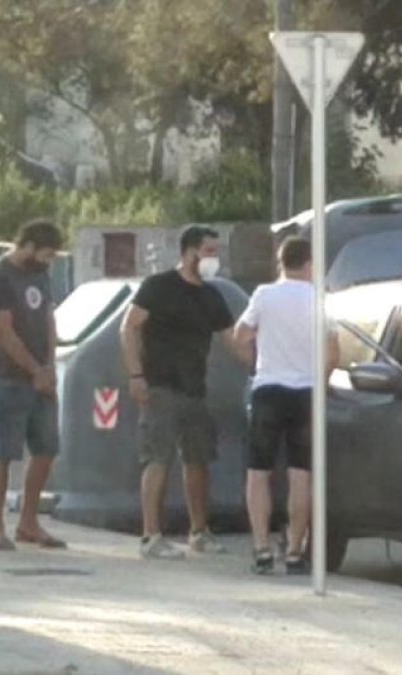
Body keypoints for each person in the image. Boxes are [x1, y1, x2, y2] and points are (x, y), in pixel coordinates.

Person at [121, 225, 234, 560]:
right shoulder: (159, 286)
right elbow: (129, 327)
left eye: (216, 252)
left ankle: (199, 532)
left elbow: (234, 340)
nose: (214, 258)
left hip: (195, 390)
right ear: (189, 251)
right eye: (209, 251)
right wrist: (135, 375)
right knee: (157, 459)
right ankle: (151, 536)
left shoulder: (212, 296)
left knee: (199, 460)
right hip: (160, 387)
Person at [231, 237, 337, 574]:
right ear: (309, 264)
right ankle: (294, 552)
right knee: (301, 474)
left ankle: (262, 549)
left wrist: (256, 365)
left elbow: (240, 336)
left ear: (281, 262)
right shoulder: (319, 298)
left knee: (258, 472)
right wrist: (319, 380)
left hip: (268, 390)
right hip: (305, 393)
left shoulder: (264, 295)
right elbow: (333, 352)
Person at [0, 220, 64, 551]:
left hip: (42, 378)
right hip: (8, 378)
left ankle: (29, 523)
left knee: (46, 450)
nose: (49, 261)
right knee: (3, 453)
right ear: (29, 246)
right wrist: (34, 369)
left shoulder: (40, 275)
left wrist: (49, 366)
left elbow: (48, 319)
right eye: (46, 254)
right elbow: (3, 332)